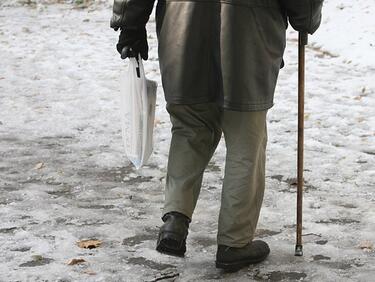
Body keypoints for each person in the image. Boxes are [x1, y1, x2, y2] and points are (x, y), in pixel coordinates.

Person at [111, 0, 323, 272]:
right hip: (249, 33)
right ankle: (235, 244)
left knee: (190, 127)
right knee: (246, 139)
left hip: (182, 28)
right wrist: (306, 17)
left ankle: (175, 220)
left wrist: (129, 23)